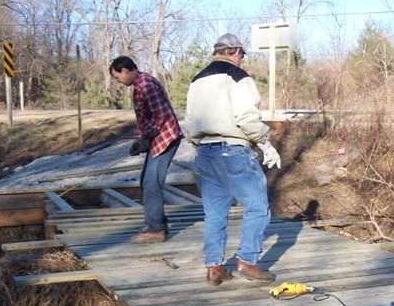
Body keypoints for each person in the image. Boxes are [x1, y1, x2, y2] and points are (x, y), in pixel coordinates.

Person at [182, 33, 281, 286]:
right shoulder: (238, 78)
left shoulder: (197, 81)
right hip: (234, 151)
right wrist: (265, 142)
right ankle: (247, 262)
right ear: (235, 52)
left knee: (214, 212)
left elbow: (190, 121)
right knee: (257, 207)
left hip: (205, 152)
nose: (242, 59)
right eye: (242, 54)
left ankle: (214, 267)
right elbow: (246, 118)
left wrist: (199, 144)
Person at [110, 56, 182, 243]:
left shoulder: (146, 84)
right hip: (158, 138)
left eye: (117, 77)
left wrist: (146, 139)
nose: (118, 81)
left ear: (125, 70)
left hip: (166, 138)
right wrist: (141, 140)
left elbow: (161, 117)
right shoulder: (140, 84)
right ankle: (157, 222)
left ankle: (156, 229)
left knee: (151, 183)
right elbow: (148, 119)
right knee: (147, 181)